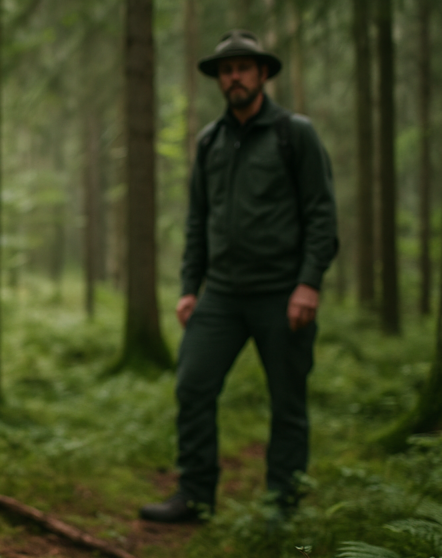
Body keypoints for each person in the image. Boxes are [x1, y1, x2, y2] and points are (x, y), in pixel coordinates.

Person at [140, 30, 338, 524]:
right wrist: (189, 288)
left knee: (287, 401)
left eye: (243, 68)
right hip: (221, 296)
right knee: (192, 386)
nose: (234, 77)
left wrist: (309, 283)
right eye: (226, 71)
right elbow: (198, 221)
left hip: (283, 293)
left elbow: (321, 215)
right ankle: (195, 495)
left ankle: (282, 506)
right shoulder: (210, 141)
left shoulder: (296, 134)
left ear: (262, 73)